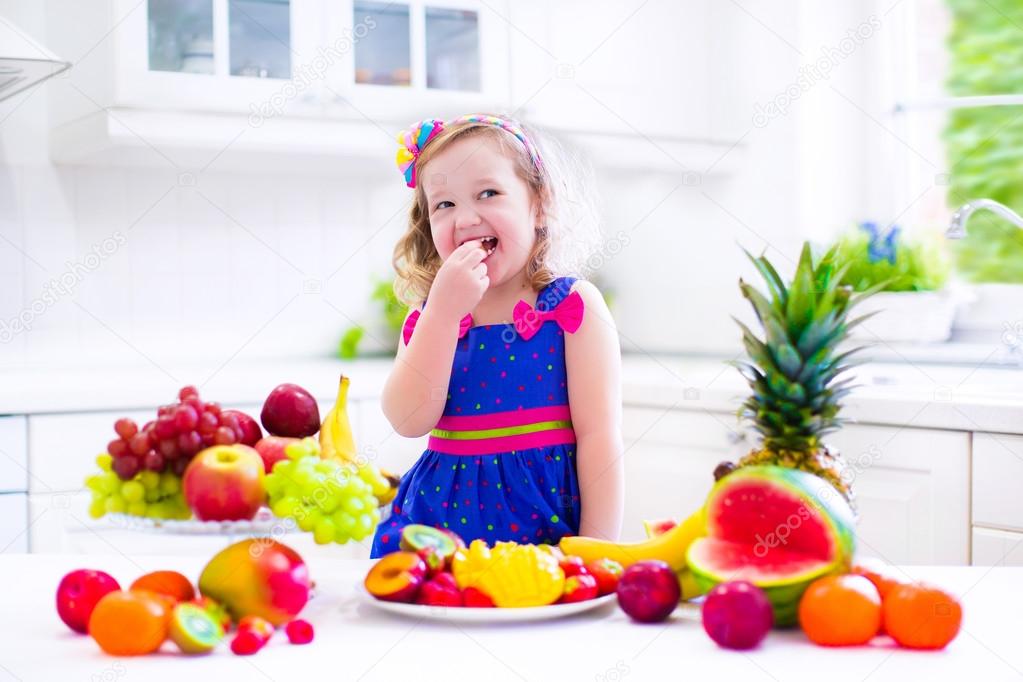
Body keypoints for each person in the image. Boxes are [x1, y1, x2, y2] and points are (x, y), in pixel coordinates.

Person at [369, 113, 623, 557]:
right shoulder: (431, 315)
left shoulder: (571, 308)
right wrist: (444, 314)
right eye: (443, 204)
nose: (465, 219)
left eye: (488, 193)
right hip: (438, 530)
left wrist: (597, 550)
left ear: (540, 205)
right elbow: (408, 420)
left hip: (545, 527)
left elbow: (600, 437)